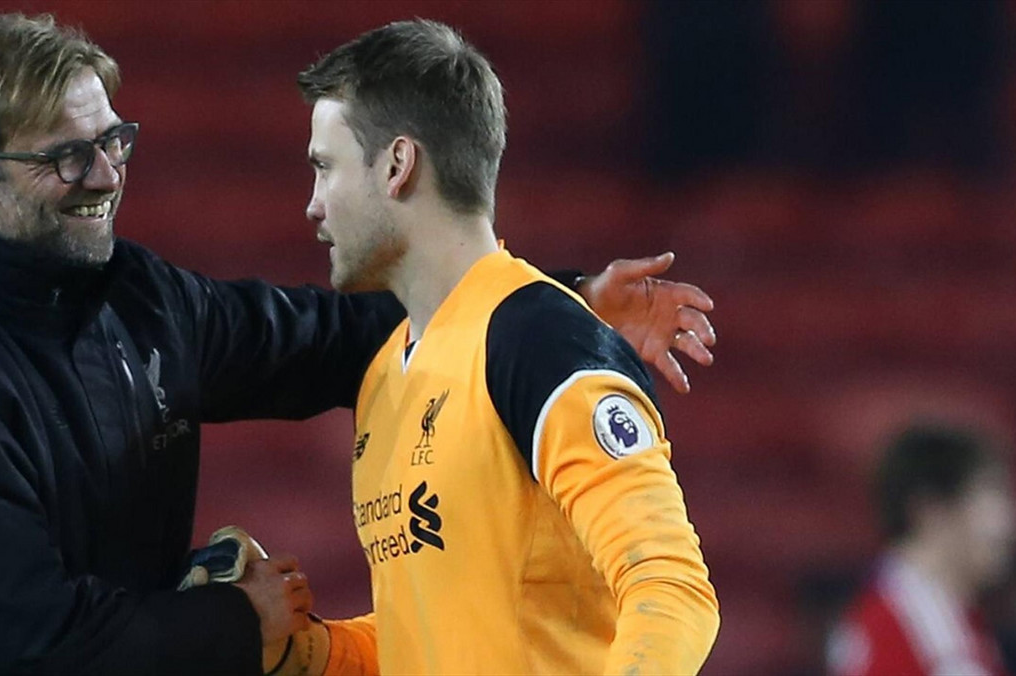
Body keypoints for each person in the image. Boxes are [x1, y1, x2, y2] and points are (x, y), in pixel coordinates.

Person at [0, 13, 717, 676]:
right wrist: (245, 631)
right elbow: (32, 641)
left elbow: (669, 591)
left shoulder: (134, 299)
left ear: (397, 166)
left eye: (114, 141)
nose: (105, 176)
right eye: (67, 157)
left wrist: (561, 299)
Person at [275, 19, 719, 675]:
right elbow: (436, 636)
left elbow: (670, 584)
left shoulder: (540, 343)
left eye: (325, 168)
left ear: (398, 165)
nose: (312, 205)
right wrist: (309, 653)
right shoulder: (387, 373)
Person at [827, 424, 1016, 676]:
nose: (1011, 519)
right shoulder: (924, 638)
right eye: (991, 495)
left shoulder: (902, 613)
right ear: (931, 511)